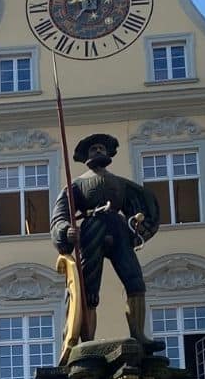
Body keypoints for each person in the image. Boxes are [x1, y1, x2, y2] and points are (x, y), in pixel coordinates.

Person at [50, 133, 160, 348]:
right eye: (93, 149)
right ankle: (87, 342)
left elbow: (140, 206)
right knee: (88, 290)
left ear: (109, 153)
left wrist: (136, 225)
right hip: (92, 228)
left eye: (101, 148)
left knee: (135, 282)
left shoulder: (121, 184)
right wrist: (66, 231)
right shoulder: (76, 186)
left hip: (118, 227)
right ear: (86, 156)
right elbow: (59, 216)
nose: (98, 151)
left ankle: (138, 335)